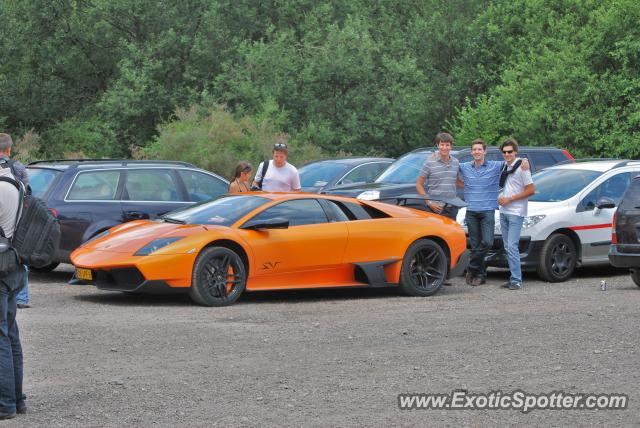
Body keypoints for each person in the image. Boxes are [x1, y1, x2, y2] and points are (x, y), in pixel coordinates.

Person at [457, 139, 529, 286]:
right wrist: (466, 186)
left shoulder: (495, 166)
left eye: (479, 149)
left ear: (485, 151)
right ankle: (479, 275)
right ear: (471, 152)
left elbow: (512, 161)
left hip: (488, 210)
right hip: (470, 210)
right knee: (476, 245)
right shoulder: (464, 167)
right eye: (474, 149)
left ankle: (471, 267)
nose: (477, 152)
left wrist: (524, 160)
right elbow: (451, 170)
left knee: (488, 242)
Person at [0, 134, 27, 420]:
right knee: (11, 335)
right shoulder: (18, 183)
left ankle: (5, 404)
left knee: (1, 337)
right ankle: (18, 399)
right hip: (14, 266)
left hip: (1, 267)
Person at [498, 138, 535, 290]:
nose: (507, 154)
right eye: (505, 152)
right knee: (507, 246)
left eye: (510, 152)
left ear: (516, 152)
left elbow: (531, 190)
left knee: (512, 246)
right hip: (504, 211)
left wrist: (510, 199)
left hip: (516, 212)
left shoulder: (522, 167)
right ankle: (513, 277)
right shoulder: (505, 167)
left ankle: (516, 280)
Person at [0, 134, 30, 309]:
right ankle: (22, 297)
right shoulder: (18, 168)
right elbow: (27, 195)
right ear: (9, 149)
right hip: (17, 227)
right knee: (19, 262)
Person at [415, 132, 460, 220]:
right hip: (436, 208)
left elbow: (457, 182)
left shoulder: (456, 162)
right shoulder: (429, 162)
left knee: (451, 233)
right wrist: (429, 202)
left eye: (447, 145)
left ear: (451, 146)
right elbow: (418, 184)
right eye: (442, 145)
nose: (444, 148)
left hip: (452, 207)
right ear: (437, 145)